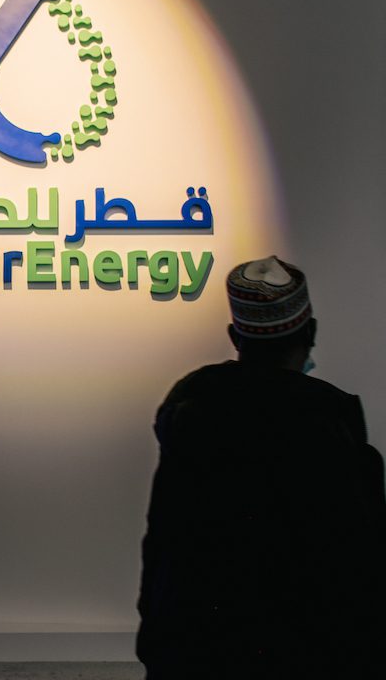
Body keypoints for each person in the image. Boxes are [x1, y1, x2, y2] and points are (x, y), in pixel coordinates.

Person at [136, 256, 386, 679]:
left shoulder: (190, 422)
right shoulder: (332, 431)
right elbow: (358, 576)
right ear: (310, 332)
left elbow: (161, 548)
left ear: (235, 336)